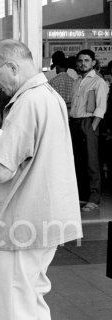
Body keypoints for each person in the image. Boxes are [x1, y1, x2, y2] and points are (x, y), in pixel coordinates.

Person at [0, 39, 82, 320]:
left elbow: (4, 168)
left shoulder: (26, 103)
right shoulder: (49, 96)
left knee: (14, 310)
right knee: (33, 301)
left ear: (12, 67)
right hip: (44, 217)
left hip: (19, 221)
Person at [70, 49, 109, 212]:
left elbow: (101, 107)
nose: (83, 63)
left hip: (89, 123)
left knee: (92, 162)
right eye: (80, 61)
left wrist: (92, 127)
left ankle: (94, 198)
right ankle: (83, 196)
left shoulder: (99, 82)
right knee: (78, 161)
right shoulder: (77, 81)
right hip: (74, 122)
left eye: (86, 60)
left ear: (93, 63)